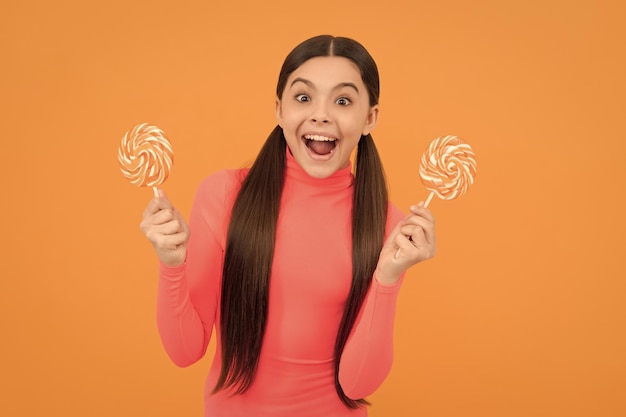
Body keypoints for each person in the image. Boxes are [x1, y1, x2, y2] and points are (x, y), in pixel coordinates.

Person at [140, 34, 436, 417]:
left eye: (343, 101)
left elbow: (359, 384)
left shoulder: (390, 226)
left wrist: (388, 279)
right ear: (279, 110)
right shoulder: (224, 195)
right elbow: (184, 351)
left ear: (370, 118)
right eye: (303, 97)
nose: (321, 114)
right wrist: (171, 263)